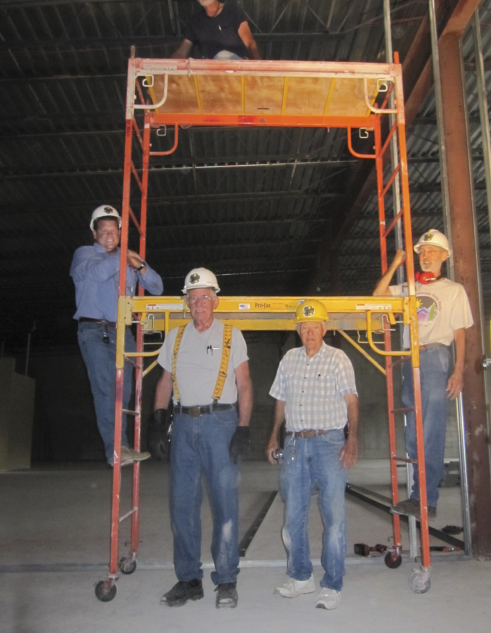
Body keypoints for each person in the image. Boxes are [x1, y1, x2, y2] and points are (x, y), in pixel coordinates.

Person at [149, 267, 253, 610]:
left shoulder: (232, 335)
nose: (198, 303)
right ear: (187, 303)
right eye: (192, 298)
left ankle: (226, 579)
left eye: (204, 297)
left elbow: (244, 383)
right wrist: (157, 421)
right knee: (182, 505)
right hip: (182, 424)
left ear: (215, 300)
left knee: (224, 504)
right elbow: (165, 382)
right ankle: (189, 579)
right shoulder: (175, 337)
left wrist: (243, 426)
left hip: (220, 423)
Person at [373, 229, 473, 518]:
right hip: (410, 359)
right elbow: (378, 296)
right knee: (413, 434)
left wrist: (458, 370)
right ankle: (419, 496)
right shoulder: (410, 287)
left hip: (434, 356)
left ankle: (426, 500)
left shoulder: (454, 290)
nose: (426, 256)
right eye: (423, 252)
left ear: (444, 256)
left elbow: (460, 334)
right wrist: (395, 264)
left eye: (432, 251)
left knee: (430, 431)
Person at [266, 299, 359, 611]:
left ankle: (332, 584)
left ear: (324, 328)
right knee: (293, 513)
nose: (309, 332)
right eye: (304, 327)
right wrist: (273, 436)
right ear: (298, 329)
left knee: (333, 515)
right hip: (294, 443)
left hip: (329, 442)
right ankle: (300, 576)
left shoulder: (338, 359)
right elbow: (280, 400)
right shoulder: (289, 360)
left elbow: (351, 401)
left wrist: (352, 438)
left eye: (314, 326)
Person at [71, 204, 163, 465]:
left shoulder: (129, 259)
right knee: (105, 390)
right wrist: (125, 256)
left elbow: (157, 287)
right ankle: (116, 449)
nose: (109, 235)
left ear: (121, 232)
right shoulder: (85, 254)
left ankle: (122, 445)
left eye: (114, 230)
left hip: (123, 332)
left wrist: (140, 265)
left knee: (124, 392)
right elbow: (99, 273)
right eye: (104, 231)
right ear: (94, 233)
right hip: (94, 330)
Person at [172, 0, 261, 61]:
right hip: (212, 68)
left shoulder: (233, 11)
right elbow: (181, 52)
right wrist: (166, 67)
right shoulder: (195, 22)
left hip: (237, 66)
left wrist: (260, 68)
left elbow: (250, 43)